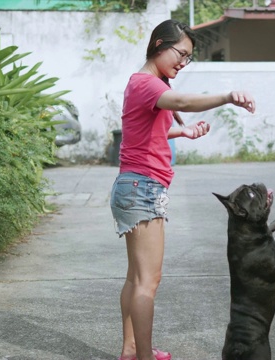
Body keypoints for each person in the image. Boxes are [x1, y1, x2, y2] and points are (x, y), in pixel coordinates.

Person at [109, 19, 256, 360]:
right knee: (148, 282)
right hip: (141, 187)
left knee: (136, 278)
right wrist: (227, 96)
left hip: (135, 185)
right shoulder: (148, 84)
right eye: (180, 53)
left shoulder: (142, 84)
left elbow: (141, 133)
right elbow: (184, 102)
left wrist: (182, 133)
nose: (182, 62)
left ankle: (131, 349)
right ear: (159, 43)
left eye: (188, 58)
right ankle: (142, 356)